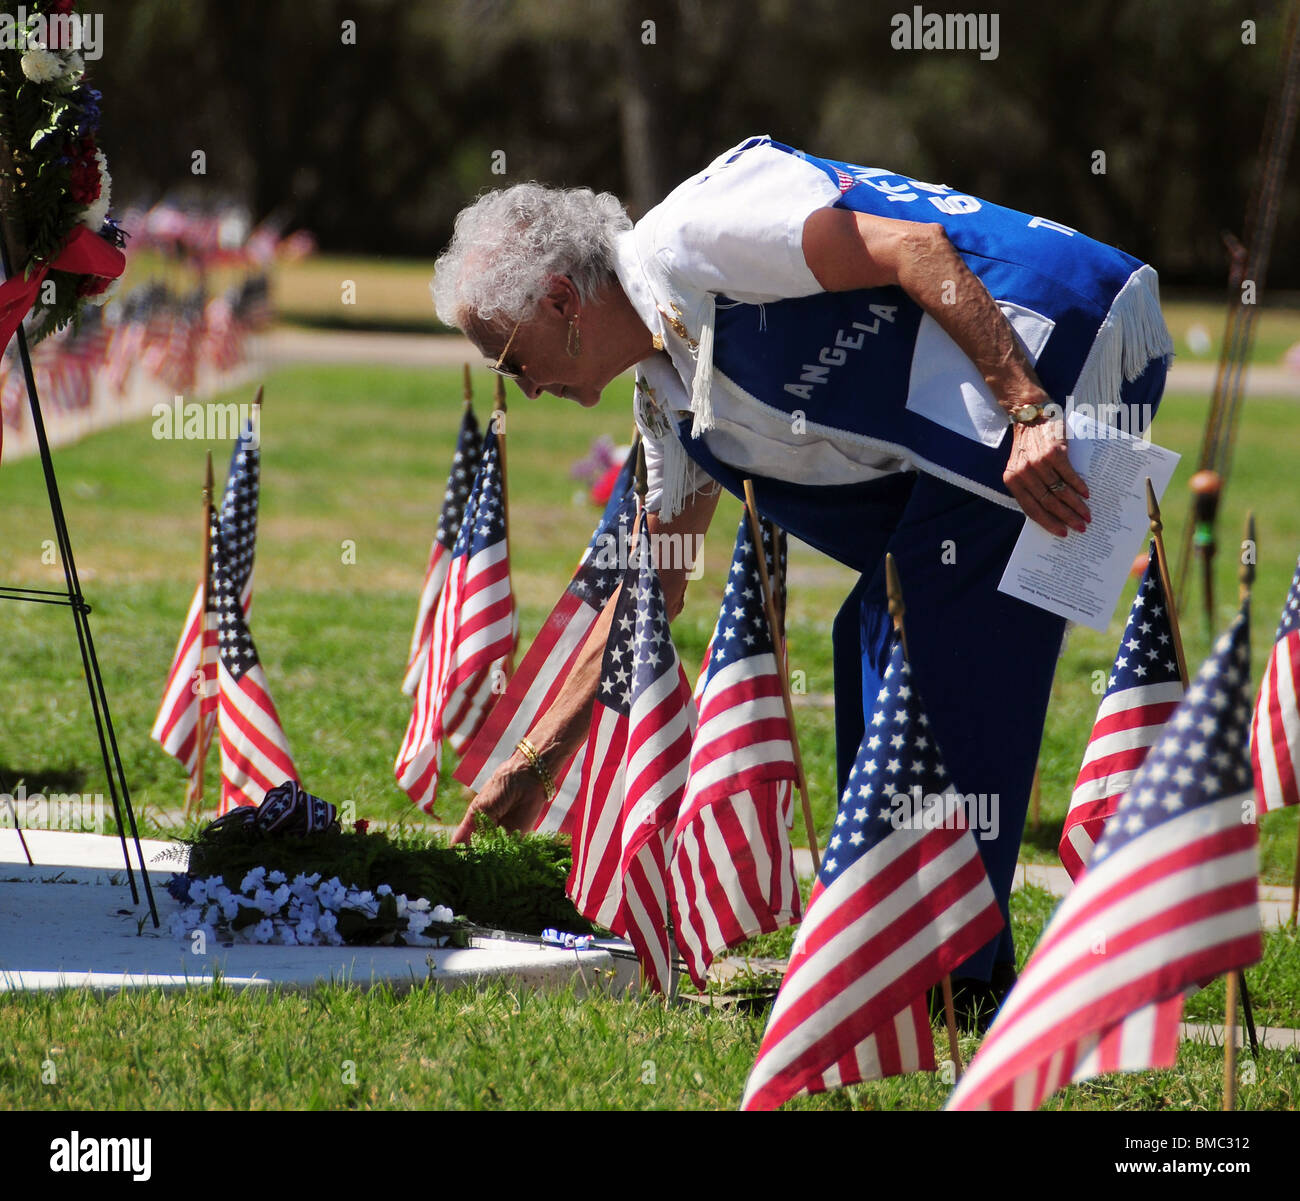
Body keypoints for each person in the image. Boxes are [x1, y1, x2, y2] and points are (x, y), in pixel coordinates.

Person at [435, 135, 1173, 1021]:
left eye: (511, 357)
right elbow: (654, 592)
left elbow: (915, 249)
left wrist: (1028, 408)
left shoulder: (696, 234)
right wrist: (532, 760)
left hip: (1055, 344)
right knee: (879, 626)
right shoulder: (666, 394)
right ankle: (911, 952)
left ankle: (945, 973)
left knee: (928, 641)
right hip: (980, 431)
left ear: (561, 300)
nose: (522, 384)